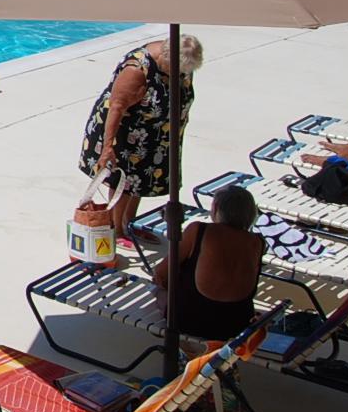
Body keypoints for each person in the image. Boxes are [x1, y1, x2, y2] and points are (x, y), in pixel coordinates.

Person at [79, 35, 203, 236]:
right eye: (179, 69)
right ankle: (116, 230)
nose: (183, 73)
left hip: (154, 135)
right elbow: (116, 107)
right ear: (166, 57)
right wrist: (108, 148)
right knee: (125, 183)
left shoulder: (181, 65)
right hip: (126, 134)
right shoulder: (137, 69)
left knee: (140, 183)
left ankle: (129, 224)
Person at [152, 184, 265, 341]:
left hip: (192, 321)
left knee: (158, 292)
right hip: (237, 323)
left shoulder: (200, 230)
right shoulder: (257, 242)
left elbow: (161, 274)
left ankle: (180, 349)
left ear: (216, 208)